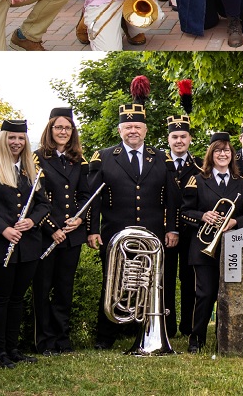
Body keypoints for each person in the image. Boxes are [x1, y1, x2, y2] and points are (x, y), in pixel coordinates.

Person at [86, 91, 180, 350]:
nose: (133, 131)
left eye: (137, 126)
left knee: (150, 282)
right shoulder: (104, 156)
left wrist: (172, 228)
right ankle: (106, 336)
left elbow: (172, 199)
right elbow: (93, 199)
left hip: (153, 233)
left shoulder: (161, 157)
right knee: (113, 282)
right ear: (119, 130)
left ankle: (148, 330)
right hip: (115, 233)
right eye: (128, 126)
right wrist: (92, 230)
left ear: (146, 130)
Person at [0, 120, 51, 368]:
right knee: (0, 298)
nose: (16, 142)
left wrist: (32, 221)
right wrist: (3, 229)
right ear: (3, 139)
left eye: (21, 138)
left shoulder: (32, 169)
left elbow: (44, 205)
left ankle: (13, 349)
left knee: (17, 299)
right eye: (11, 137)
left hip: (27, 247)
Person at [181, 132, 243, 353]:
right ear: (210, 155)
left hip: (232, 247)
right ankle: (196, 338)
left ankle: (224, 337)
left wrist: (234, 221)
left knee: (228, 294)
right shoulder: (198, 180)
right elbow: (184, 212)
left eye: (226, 150)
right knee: (205, 293)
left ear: (232, 155)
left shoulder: (242, 182)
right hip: (203, 247)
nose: (222, 154)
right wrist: (203, 216)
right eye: (218, 150)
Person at [32, 107, 89, 355]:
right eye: (59, 127)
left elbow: (86, 195)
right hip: (46, 234)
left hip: (72, 234)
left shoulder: (79, 160)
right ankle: (44, 341)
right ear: (50, 129)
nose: (63, 131)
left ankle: (62, 339)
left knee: (65, 288)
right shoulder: (36, 158)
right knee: (43, 288)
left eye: (67, 128)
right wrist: (52, 228)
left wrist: (80, 220)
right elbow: (34, 198)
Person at [164, 109, 202, 340]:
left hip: (192, 232)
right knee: (165, 279)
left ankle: (189, 325)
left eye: (183, 137)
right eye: (175, 137)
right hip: (165, 231)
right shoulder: (158, 162)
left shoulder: (199, 165)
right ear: (168, 139)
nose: (179, 141)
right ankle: (167, 327)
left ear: (190, 139)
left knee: (190, 280)